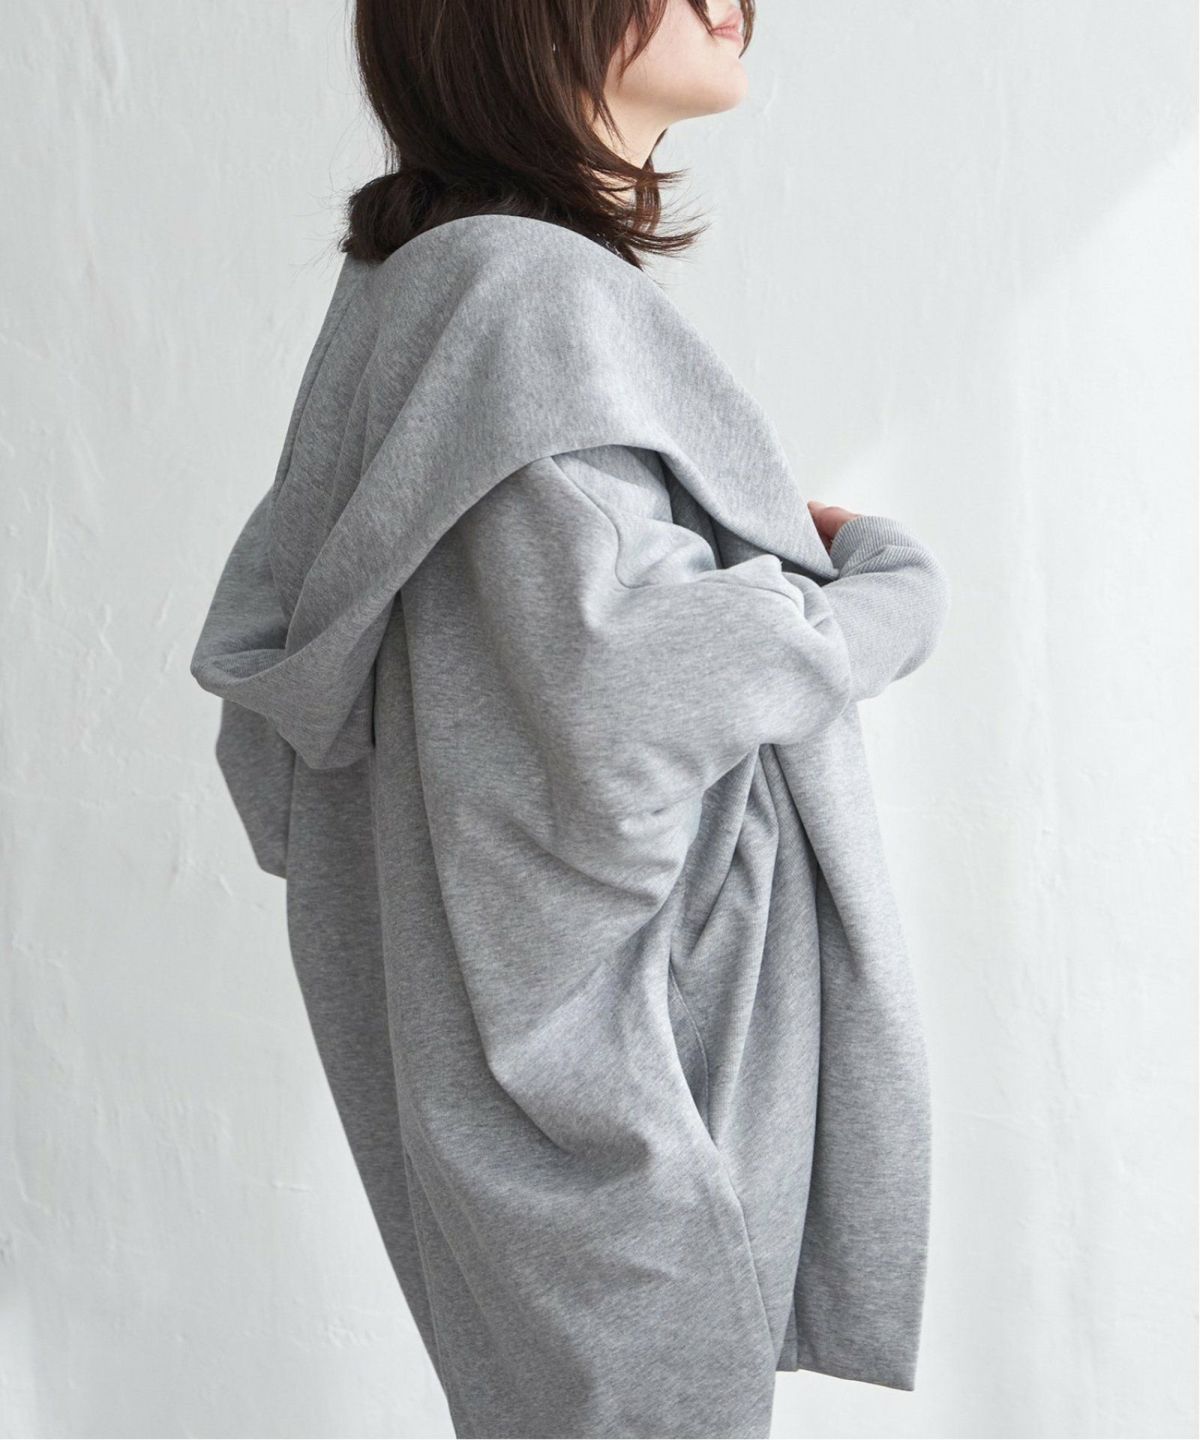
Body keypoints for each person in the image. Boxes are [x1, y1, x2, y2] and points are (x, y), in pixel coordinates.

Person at [190, 2, 951, 1435]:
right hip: (627, 1095)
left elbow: (388, 707)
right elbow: (636, 679)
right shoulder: (531, 300)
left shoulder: (412, 298)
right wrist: (888, 586)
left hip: (495, 1082)